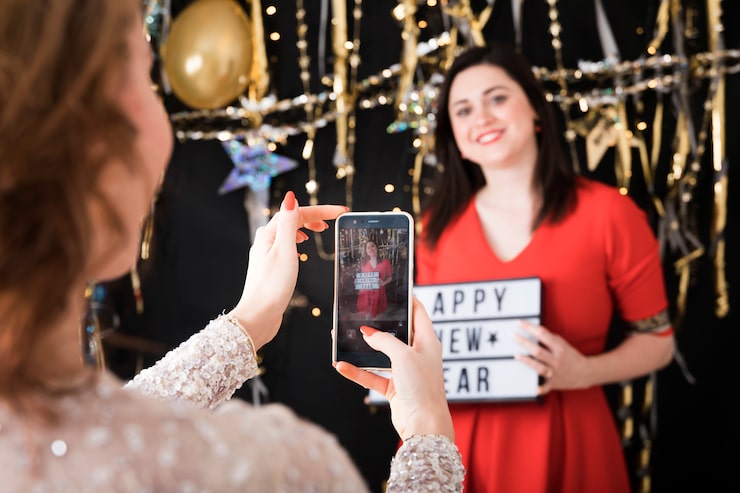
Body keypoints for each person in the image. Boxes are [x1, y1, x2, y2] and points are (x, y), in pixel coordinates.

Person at [0, 1, 464, 491]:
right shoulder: (279, 466)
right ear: (101, 131)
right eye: (147, 74)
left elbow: (110, 421)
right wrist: (427, 432)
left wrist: (250, 321)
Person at [415, 42, 675, 492]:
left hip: (571, 443)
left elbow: (659, 342)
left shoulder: (609, 214)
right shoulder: (432, 230)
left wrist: (584, 372)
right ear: (453, 135)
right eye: (463, 110)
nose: (482, 118)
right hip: (459, 448)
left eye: (497, 98)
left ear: (535, 111)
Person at [356, 239, 393, 318]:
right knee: (367, 317)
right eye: (368, 247)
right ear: (366, 250)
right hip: (366, 294)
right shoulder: (363, 263)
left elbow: (390, 277)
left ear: (377, 248)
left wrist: (384, 282)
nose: (370, 249)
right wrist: (358, 282)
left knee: (378, 318)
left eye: (372, 246)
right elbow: (362, 278)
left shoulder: (385, 262)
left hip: (379, 293)